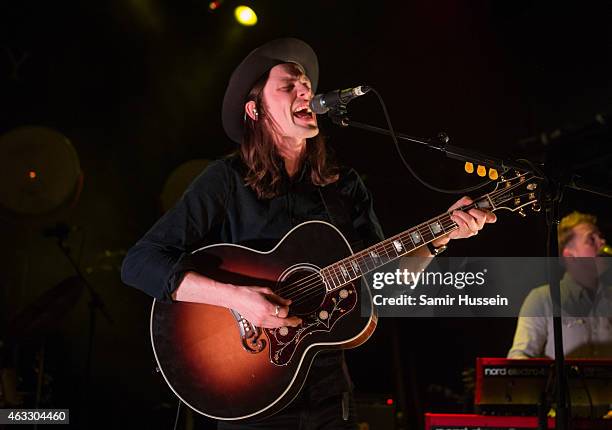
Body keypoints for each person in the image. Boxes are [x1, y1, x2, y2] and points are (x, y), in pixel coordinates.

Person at [121, 38, 496, 429]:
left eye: (306, 85)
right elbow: (139, 263)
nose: (307, 90)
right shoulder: (226, 180)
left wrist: (440, 237)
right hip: (248, 394)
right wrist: (238, 298)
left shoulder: (344, 186)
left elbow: (387, 285)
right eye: (289, 86)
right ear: (255, 110)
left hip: (328, 395)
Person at [508, 211, 612, 359]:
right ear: (570, 255)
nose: (602, 242)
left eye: (600, 237)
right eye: (591, 239)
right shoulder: (542, 298)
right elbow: (521, 357)